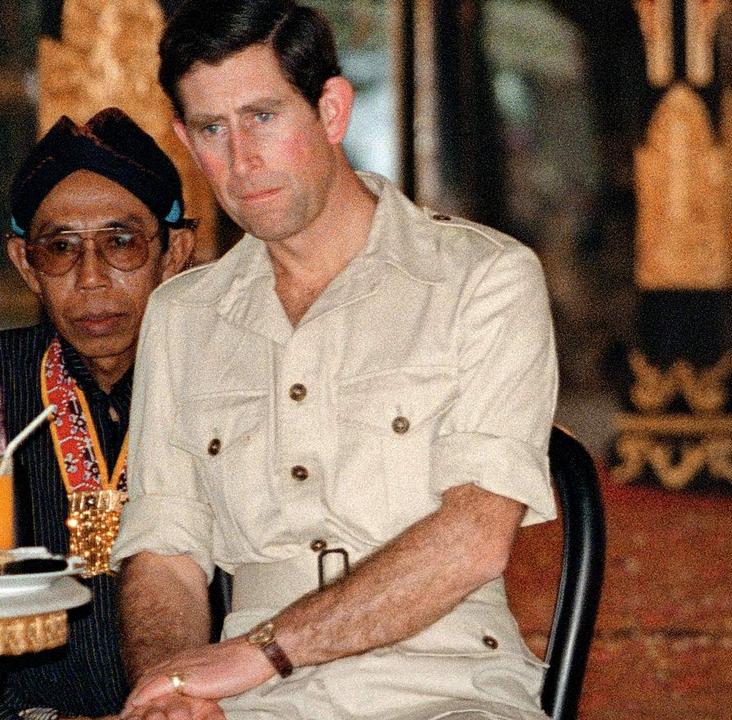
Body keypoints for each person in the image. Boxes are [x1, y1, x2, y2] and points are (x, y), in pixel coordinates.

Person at [110, 1, 557, 719]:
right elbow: (167, 554)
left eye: (263, 116)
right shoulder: (182, 316)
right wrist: (174, 688)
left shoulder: (482, 278)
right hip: (245, 699)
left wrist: (266, 649)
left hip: (446, 685)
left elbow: (475, 538)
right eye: (211, 130)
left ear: (333, 110)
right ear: (186, 143)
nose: (241, 159)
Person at [0, 107, 196, 720]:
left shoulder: (233, 388)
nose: (91, 279)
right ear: (26, 263)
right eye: (60, 248)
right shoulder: (2, 384)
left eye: (121, 242)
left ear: (174, 251)